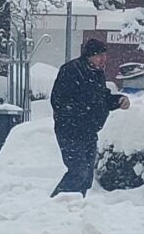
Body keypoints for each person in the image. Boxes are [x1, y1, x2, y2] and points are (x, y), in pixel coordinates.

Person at [49, 38, 130, 196]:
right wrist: (77, 117)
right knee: (78, 171)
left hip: (89, 132)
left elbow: (101, 97)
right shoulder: (71, 70)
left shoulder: (97, 74)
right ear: (89, 56)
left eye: (104, 56)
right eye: (99, 56)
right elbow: (59, 101)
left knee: (87, 176)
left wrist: (117, 100)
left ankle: (76, 205)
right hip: (70, 132)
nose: (103, 60)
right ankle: (56, 204)